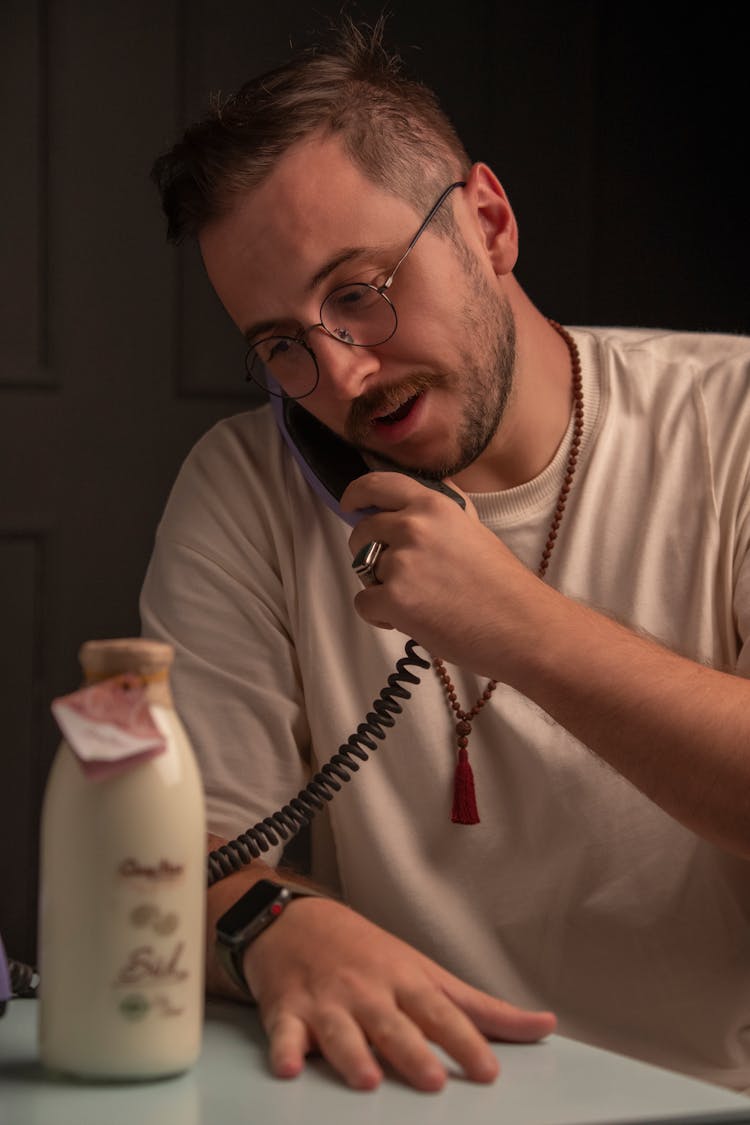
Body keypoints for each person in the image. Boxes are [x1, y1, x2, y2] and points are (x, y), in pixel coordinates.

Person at [142, 15, 750, 1095]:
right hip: (394, 1099)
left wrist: (516, 625)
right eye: (281, 344)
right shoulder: (244, 489)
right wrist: (274, 923)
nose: (341, 376)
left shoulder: (731, 420)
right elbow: (180, 854)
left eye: (360, 292)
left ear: (489, 222)